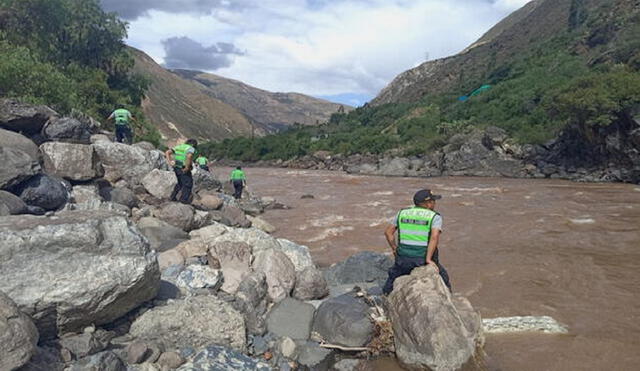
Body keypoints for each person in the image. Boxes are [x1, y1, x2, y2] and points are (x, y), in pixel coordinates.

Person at [382, 189, 451, 294]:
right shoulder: (434, 217)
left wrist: (394, 248)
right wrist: (428, 259)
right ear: (428, 204)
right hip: (421, 259)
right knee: (444, 277)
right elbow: (434, 237)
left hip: (403, 258)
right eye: (433, 201)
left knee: (392, 279)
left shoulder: (402, 213)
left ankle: (385, 296)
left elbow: (388, 233)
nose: (435, 203)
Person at [165, 139, 198, 204]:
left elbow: (167, 152)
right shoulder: (190, 148)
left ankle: (173, 197)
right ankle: (183, 201)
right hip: (183, 168)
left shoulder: (179, 147)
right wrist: (187, 167)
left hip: (176, 167)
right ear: (193, 145)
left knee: (180, 183)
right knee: (188, 184)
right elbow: (189, 156)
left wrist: (169, 161)